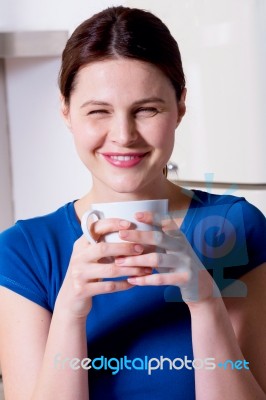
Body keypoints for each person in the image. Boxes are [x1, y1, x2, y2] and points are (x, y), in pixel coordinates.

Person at [0, 6, 266, 400]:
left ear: (180, 108)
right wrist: (70, 311)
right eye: (99, 111)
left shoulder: (235, 227)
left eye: (146, 109)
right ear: (66, 112)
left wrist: (206, 301)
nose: (123, 136)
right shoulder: (24, 251)